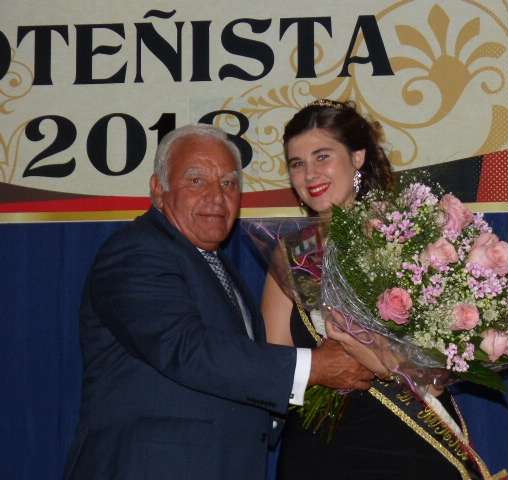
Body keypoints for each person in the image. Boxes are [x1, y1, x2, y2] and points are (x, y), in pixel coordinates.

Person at [63, 124, 375, 480]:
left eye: (228, 183)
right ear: (158, 189)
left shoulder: (219, 267)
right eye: (196, 180)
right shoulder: (136, 251)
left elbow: (237, 370)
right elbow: (185, 349)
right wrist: (313, 368)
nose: (216, 196)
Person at [262, 100, 495, 480]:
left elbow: (441, 365)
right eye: (297, 163)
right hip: (320, 451)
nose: (310, 174)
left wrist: (381, 356)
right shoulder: (291, 254)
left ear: (357, 157)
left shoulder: (408, 233)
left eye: (322, 156)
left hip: (407, 441)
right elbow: (277, 364)